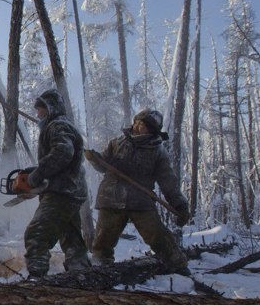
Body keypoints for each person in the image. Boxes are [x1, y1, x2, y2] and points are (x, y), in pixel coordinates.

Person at [86, 109, 191, 273]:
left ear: (151, 130)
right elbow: (103, 166)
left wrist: (179, 205)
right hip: (111, 197)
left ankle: (178, 266)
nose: (136, 126)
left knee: (157, 235)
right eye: (136, 122)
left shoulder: (157, 151)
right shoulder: (117, 143)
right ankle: (100, 269)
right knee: (103, 240)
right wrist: (95, 159)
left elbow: (168, 181)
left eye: (142, 125)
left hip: (140, 201)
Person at [15, 89, 90, 279]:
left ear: (51, 108)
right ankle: (81, 275)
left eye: (41, 109)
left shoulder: (58, 125)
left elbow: (63, 153)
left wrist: (37, 175)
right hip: (71, 190)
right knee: (71, 238)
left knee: (37, 234)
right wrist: (39, 177)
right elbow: (61, 159)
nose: (38, 113)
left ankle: (37, 279)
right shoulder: (61, 125)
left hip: (62, 192)